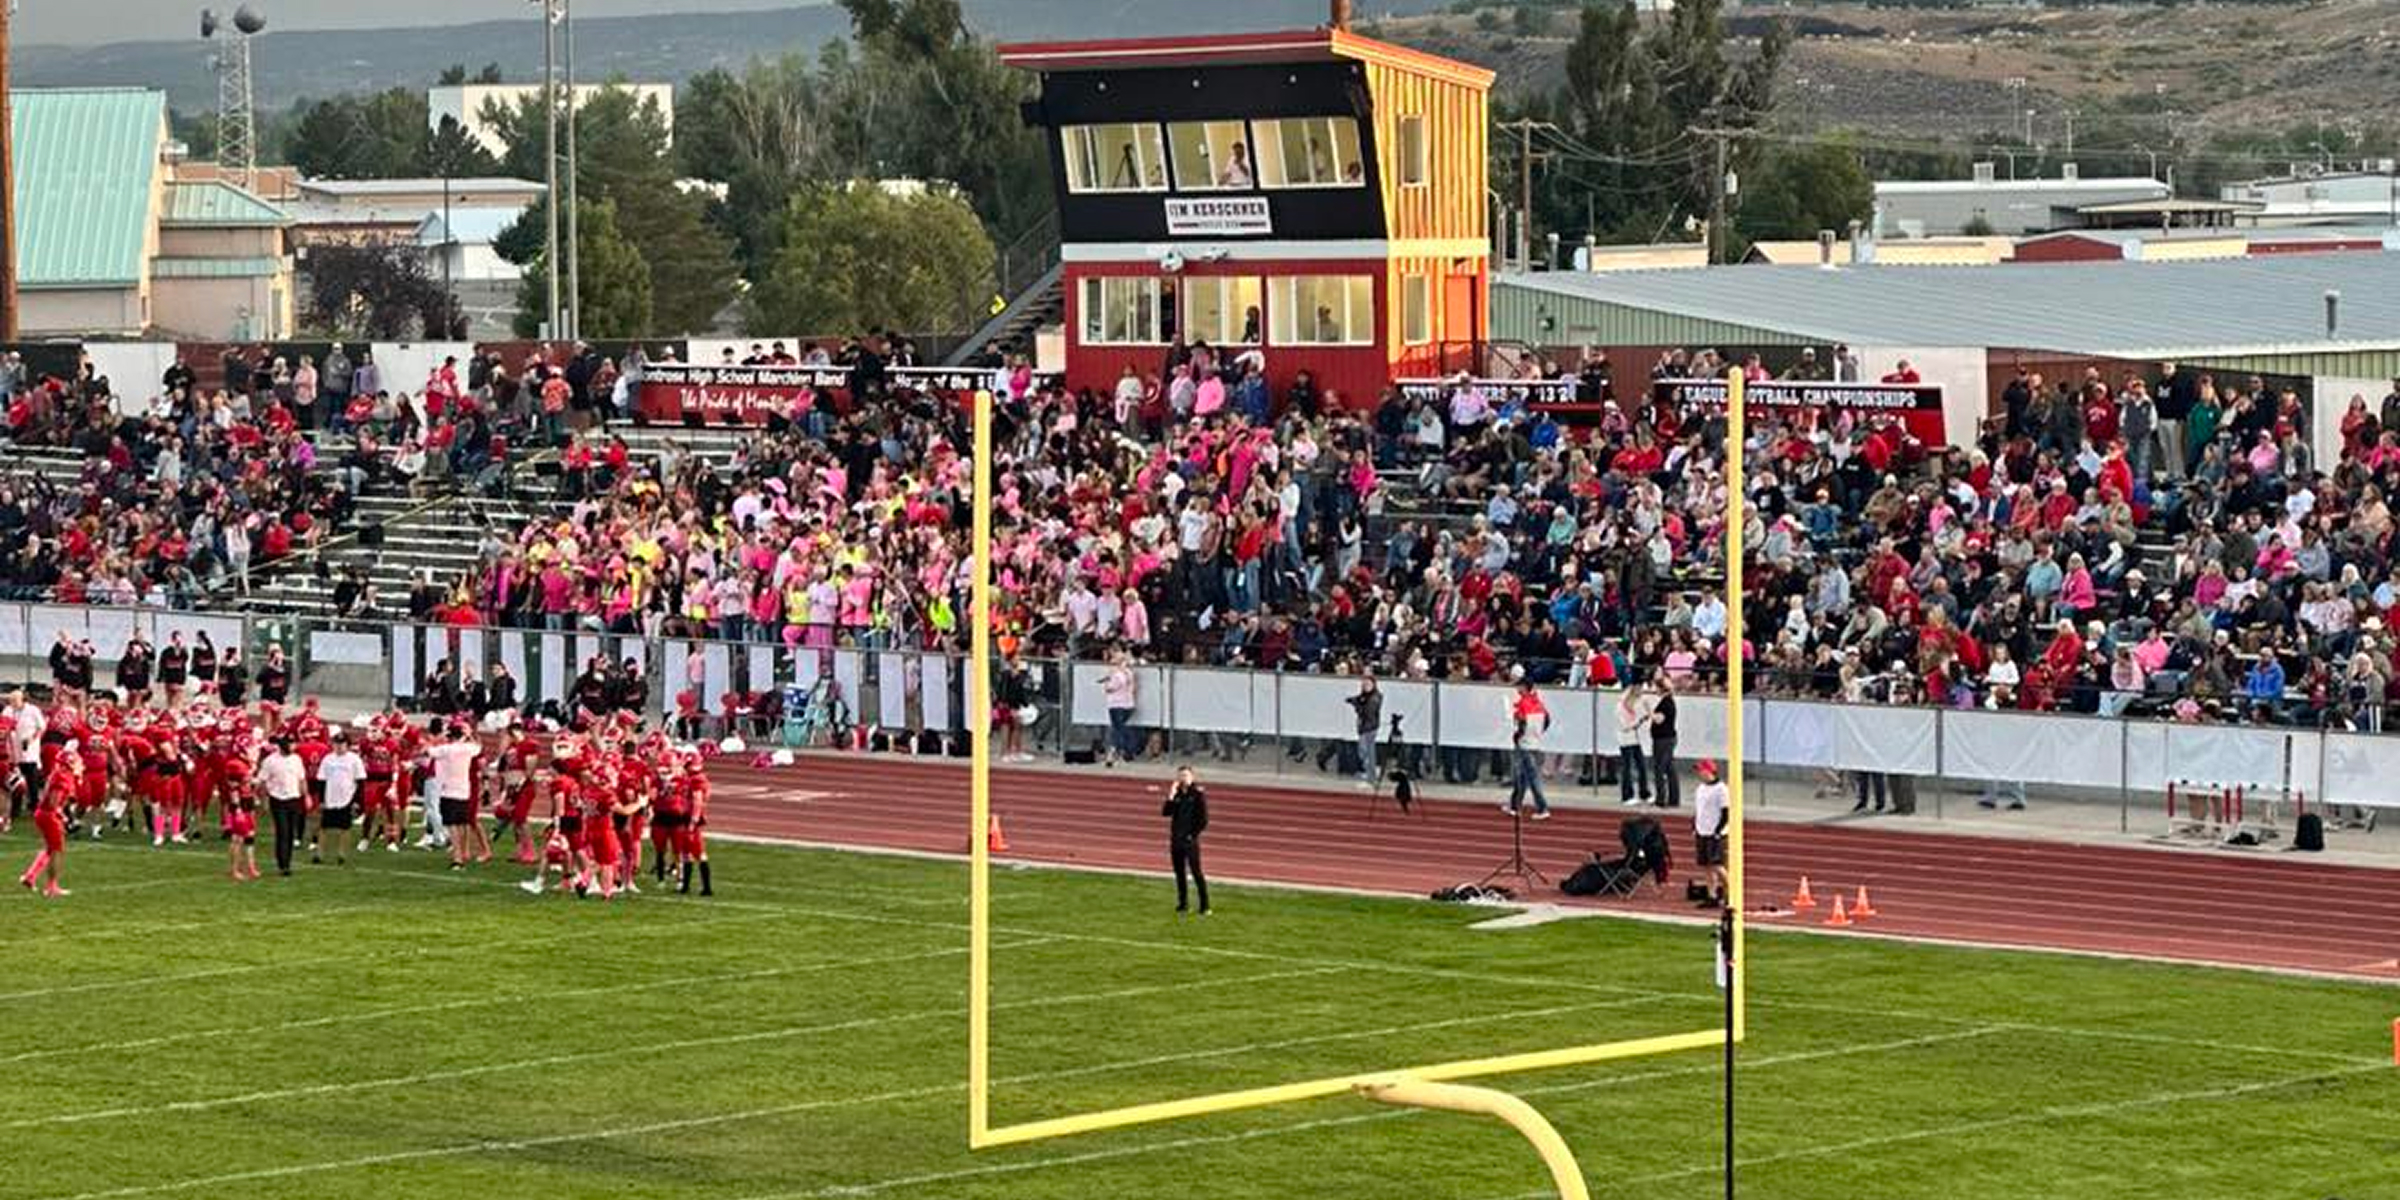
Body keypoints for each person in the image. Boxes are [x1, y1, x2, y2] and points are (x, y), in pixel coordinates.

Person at [426, 723, 486, 869]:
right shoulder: (468, 749)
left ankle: (457, 857)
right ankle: (464, 852)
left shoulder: (446, 749)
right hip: (464, 790)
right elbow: (478, 746)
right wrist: (469, 735)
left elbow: (428, 751)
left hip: (448, 790)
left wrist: (436, 739)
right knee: (462, 823)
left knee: (452, 825)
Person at [18, 748, 74, 896]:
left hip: (44, 813)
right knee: (56, 850)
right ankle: (51, 887)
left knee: (50, 848)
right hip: (49, 815)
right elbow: (53, 802)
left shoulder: (58, 774)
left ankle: (30, 876)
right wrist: (61, 815)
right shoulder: (62, 777)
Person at [1161, 765, 1210, 915]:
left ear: (1192, 777)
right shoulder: (1177, 795)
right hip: (1176, 840)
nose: (1183, 778)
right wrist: (1171, 795)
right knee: (1179, 873)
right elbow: (1166, 812)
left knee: (1196, 872)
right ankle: (1183, 904)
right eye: (1181, 776)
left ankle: (1205, 906)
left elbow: (1203, 820)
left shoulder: (1198, 795)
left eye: (1186, 776)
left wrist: (1192, 835)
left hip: (1189, 841)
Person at [258, 736, 306, 877]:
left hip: (294, 798)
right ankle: (283, 864)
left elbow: (301, 779)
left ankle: (287, 861)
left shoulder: (297, 759)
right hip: (278, 799)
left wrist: (306, 796)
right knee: (282, 831)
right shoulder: (270, 761)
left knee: (290, 832)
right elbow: (263, 781)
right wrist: (264, 800)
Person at [1505, 674, 1551, 819]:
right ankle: (1514, 805)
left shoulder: (1523, 704)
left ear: (1524, 687)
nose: (1517, 689)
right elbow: (1547, 719)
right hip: (1535, 742)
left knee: (1530, 777)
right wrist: (1538, 732)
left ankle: (1542, 807)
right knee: (1523, 776)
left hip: (1524, 744)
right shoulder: (1538, 702)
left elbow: (1522, 722)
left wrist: (1518, 736)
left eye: (1519, 686)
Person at [316, 729, 365, 866]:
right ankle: (319, 854)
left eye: (342, 744)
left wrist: (357, 801)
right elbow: (322, 780)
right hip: (330, 797)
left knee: (345, 828)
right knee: (324, 827)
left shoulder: (354, 760)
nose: (338, 746)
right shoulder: (327, 759)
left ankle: (341, 854)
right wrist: (321, 800)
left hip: (346, 798)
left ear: (347, 745)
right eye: (336, 743)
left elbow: (360, 781)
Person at [1692, 758, 1730, 909]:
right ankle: (1712, 895)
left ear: (1709, 771)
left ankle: (1730, 891)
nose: (1699, 773)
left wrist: (1718, 830)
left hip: (1714, 832)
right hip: (1702, 830)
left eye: (1701, 770)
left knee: (1717, 865)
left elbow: (1726, 812)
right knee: (1706, 866)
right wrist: (1695, 826)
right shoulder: (1700, 788)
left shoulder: (1721, 789)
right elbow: (1699, 810)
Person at [1101, 648, 1138, 767]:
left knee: (1117, 729)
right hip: (1128, 704)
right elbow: (1134, 688)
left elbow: (1110, 688)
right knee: (1120, 728)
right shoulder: (1129, 673)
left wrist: (1106, 682)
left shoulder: (1117, 675)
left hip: (1116, 704)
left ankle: (1120, 751)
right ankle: (1121, 752)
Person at [1648, 674, 1680, 809]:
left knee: (1660, 769)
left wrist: (1649, 711)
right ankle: (1673, 799)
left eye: (1655, 687)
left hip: (1663, 740)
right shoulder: (1668, 701)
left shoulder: (1666, 703)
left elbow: (1659, 720)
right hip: (1667, 738)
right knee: (1669, 768)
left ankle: (1661, 799)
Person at [1615, 685, 1650, 806]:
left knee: (1641, 766)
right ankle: (1626, 795)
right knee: (1627, 768)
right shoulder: (1620, 707)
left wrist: (1643, 717)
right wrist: (1638, 721)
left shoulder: (1633, 705)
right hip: (1625, 740)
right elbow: (1624, 726)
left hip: (1635, 739)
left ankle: (1644, 793)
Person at [1347, 674, 1383, 785]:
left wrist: (1357, 706)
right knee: (1365, 751)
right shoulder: (1365, 696)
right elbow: (1359, 699)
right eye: (1364, 684)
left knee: (1366, 752)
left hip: (1369, 728)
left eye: (1368, 684)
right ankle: (1370, 772)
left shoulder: (1374, 698)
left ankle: (1371, 775)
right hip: (1365, 727)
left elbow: (1367, 712)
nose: (1366, 686)